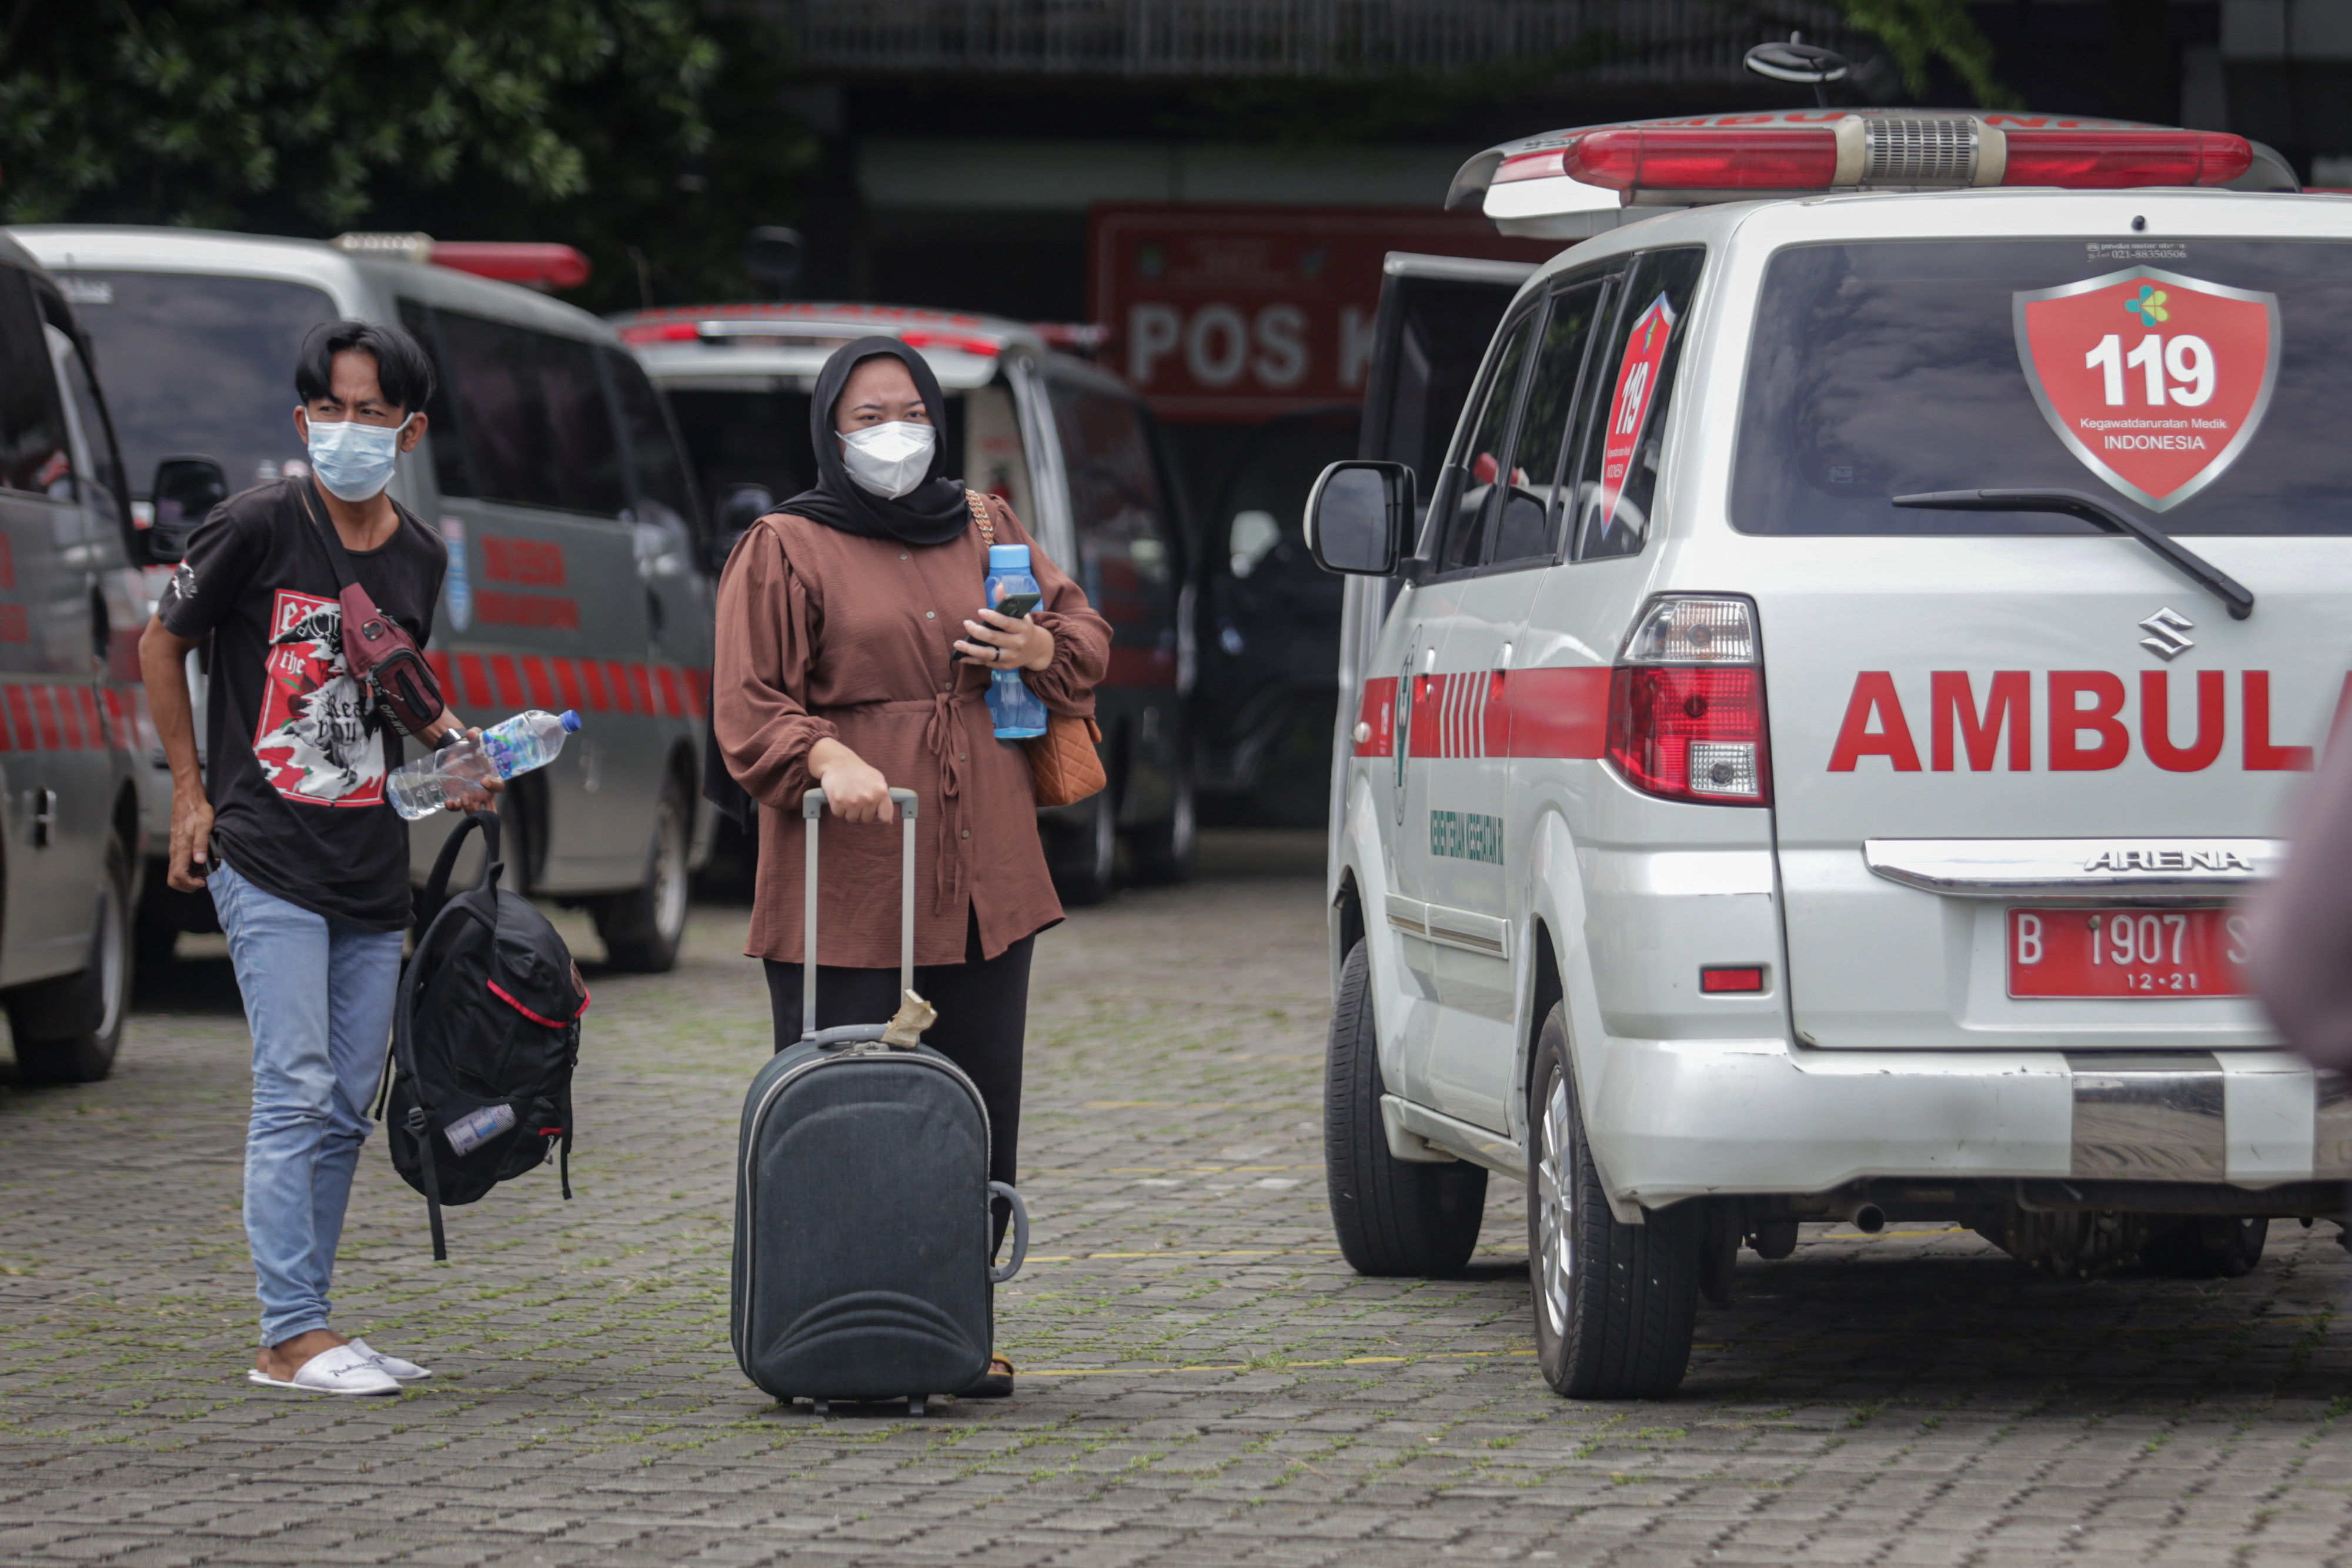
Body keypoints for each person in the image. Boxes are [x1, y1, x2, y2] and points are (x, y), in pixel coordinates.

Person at [713, 337, 1110, 1400]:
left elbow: (1082, 630)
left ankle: (952, 1327)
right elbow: (748, 710)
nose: (894, 433)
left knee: (977, 1106)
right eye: (866, 416)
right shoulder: (784, 544)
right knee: (843, 1108)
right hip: (851, 876)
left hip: (987, 874)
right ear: (830, 433)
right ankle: (829, 1328)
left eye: (909, 410)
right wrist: (826, 752)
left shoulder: (984, 522)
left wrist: (1040, 654)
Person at [139, 320, 497, 1396]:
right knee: (293, 1090)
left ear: (410, 428)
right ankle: (287, 1332)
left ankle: (311, 1329)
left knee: (346, 1101)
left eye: (373, 412)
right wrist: (189, 796)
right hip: (265, 851)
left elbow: (395, 707)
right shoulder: (253, 525)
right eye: (331, 409)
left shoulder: (421, 557)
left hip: (368, 859)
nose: (348, 428)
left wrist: (460, 760)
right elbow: (162, 645)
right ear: (302, 420)